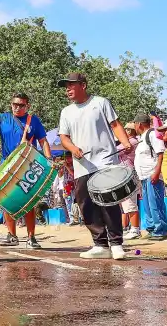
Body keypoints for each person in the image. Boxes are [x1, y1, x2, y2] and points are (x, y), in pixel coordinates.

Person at [57, 72, 132, 260]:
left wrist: (125, 141)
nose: (68, 89)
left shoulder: (100, 103)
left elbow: (115, 125)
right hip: (82, 165)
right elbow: (64, 138)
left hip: (106, 160)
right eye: (66, 86)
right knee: (86, 204)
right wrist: (73, 148)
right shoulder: (66, 112)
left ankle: (116, 244)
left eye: (71, 85)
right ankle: (100, 244)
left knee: (108, 201)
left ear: (83, 85)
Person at [0, 92, 52, 249]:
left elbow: (43, 142)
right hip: (7, 165)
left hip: (28, 163)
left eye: (21, 105)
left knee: (29, 202)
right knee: (5, 200)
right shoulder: (2, 118)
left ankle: (31, 237)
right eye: (14, 104)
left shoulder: (33, 120)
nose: (17, 107)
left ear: (27, 106)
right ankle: (12, 235)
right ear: (11, 105)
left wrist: (49, 159)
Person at [133, 113, 167, 240]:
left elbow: (160, 154)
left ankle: (160, 230)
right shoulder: (142, 138)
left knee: (156, 204)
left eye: (135, 124)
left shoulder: (152, 134)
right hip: (143, 177)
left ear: (139, 124)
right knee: (147, 204)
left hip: (152, 175)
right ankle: (152, 229)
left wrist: (157, 172)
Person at [120, 123, 142, 240]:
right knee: (125, 203)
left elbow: (114, 150)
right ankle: (130, 228)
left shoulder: (131, 142)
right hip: (125, 175)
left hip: (129, 175)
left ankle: (135, 229)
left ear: (128, 131)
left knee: (130, 203)